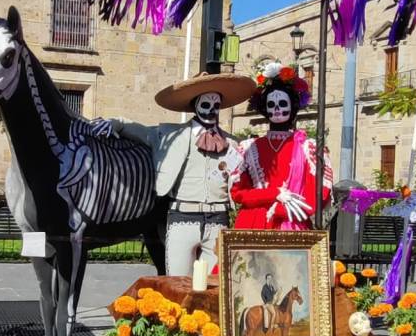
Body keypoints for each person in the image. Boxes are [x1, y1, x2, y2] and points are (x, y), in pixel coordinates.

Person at [111, 71, 256, 276]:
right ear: (194, 106)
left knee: (214, 285)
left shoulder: (232, 144)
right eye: (205, 104)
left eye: (216, 105)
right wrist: (115, 123)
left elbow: (252, 169)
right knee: (178, 282)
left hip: (218, 220)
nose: (211, 110)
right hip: (182, 218)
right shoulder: (172, 135)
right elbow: (141, 132)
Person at [231, 63, 333, 231]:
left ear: (292, 106)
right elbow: (238, 192)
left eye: (283, 103)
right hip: (255, 222)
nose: (277, 109)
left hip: (292, 219)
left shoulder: (308, 148)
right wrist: (274, 194)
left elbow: (318, 193)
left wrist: (282, 210)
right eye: (271, 105)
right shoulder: (249, 148)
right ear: (265, 108)